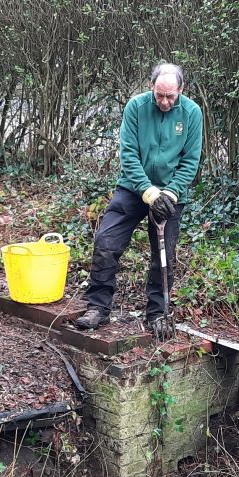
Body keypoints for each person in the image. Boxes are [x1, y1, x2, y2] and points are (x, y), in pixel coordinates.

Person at [74, 63, 203, 334]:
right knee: (106, 242)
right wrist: (147, 191)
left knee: (163, 256)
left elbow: (191, 160)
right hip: (133, 189)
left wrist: (170, 192)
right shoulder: (136, 107)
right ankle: (98, 307)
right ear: (151, 86)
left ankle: (157, 314)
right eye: (160, 95)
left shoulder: (192, 112)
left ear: (181, 90)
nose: (165, 102)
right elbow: (129, 154)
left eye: (170, 96)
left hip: (171, 193)